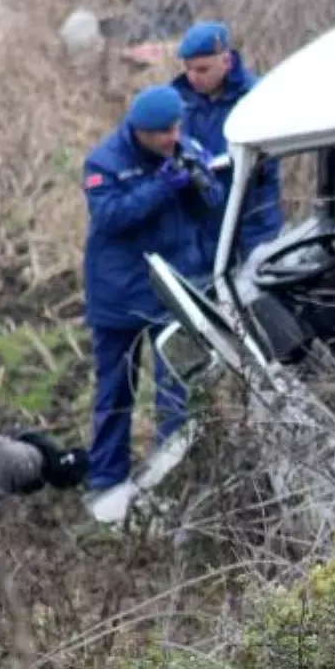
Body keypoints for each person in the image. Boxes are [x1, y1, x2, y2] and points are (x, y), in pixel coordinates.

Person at [81, 84, 225, 496]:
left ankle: (172, 477)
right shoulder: (104, 162)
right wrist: (162, 186)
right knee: (115, 392)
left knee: (176, 391)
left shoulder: (185, 147)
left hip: (171, 294)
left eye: (175, 128)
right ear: (139, 131)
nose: (171, 138)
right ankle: (106, 480)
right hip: (120, 298)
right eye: (162, 132)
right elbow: (110, 217)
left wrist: (198, 182)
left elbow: (213, 206)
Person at [171, 20, 284, 262]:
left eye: (202, 70)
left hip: (251, 214)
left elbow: (269, 155)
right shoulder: (179, 100)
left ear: (226, 62)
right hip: (199, 221)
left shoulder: (256, 97)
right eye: (188, 69)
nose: (193, 78)